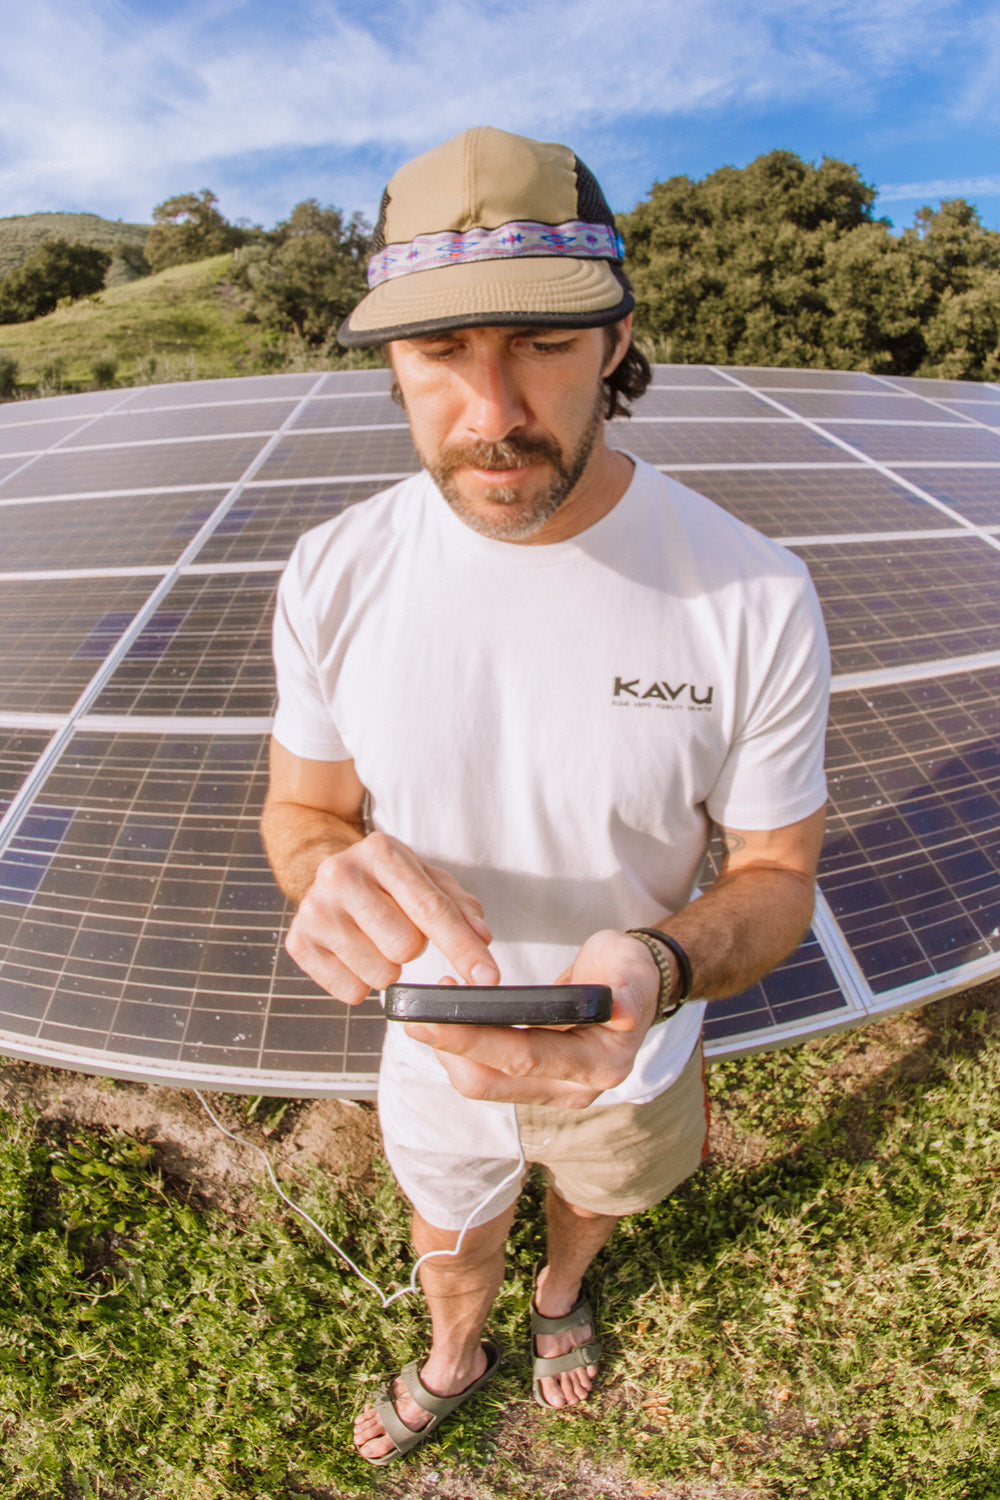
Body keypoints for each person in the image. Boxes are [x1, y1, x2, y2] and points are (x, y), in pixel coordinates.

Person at [260, 125, 830, 1465]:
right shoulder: (332, 573)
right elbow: (306, 813)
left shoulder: (754, 593)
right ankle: (455, 1348)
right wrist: (324, 874)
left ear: (619, 338)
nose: (491, 411)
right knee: (449, 1231)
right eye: (440, 349)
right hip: (429, 1049)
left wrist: (658, 967)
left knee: (594, 1200)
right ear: (392, 362)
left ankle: (565, 1291)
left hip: (646, 1046)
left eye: (544, 341)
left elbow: (776, 874)